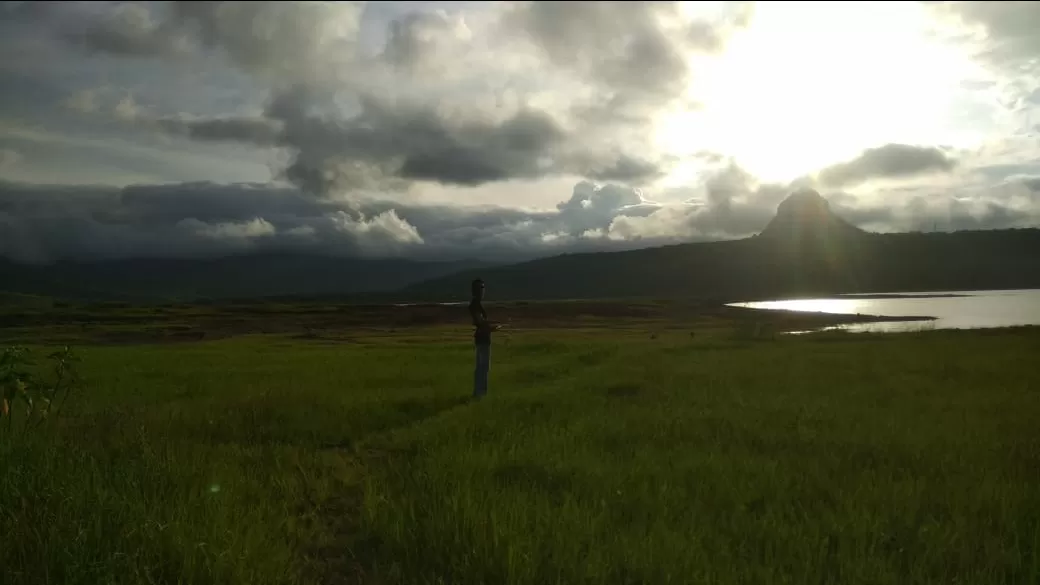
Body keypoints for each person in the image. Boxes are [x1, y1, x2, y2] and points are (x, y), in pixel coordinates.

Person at [468, 278, 498, 399]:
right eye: (480, 288)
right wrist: (491, 328)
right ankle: (480, 394)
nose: (482, 291)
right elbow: (480, 321)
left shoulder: (476, 304)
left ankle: (479, 392)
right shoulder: (475, 305)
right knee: (483, 367)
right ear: (475, 290)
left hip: (482, 337)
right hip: (483, 338)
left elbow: (481, 321)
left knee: (481, 366)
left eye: (483, 288)